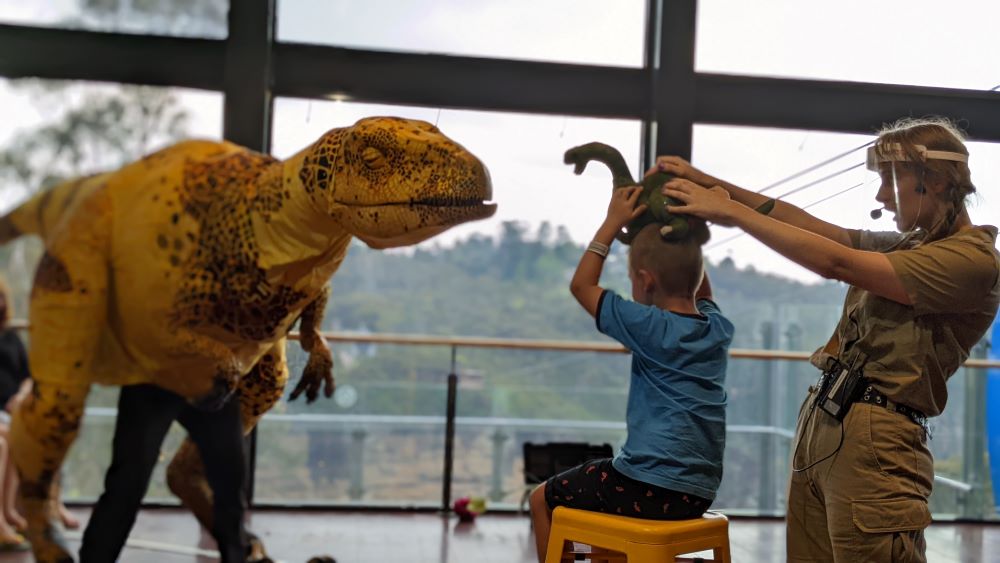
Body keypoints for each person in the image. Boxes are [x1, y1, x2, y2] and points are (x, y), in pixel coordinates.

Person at [656, 116, 1000, 562]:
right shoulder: (910, 245)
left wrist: (729, 211)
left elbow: (837, 262)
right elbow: (827, 234)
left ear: (933, 181)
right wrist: (715, 187)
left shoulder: (971, 261)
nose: (881, 196)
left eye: (891, 180)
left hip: (877, 439)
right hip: (826, 422)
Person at [529, 186, 734, 562]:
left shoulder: (647, 325)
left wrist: (613, 222)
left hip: (644, 488)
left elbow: (582, 286)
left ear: (646, 279)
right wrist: (686, 233)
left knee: (542, 498)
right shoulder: (717, 328)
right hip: (697, 493)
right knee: (603, 497)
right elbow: (699, 288)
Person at [79, 383, 251, 563]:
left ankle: (237, 558)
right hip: (154, 377)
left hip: (210, 378)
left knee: (231, 483)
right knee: (126, 484)